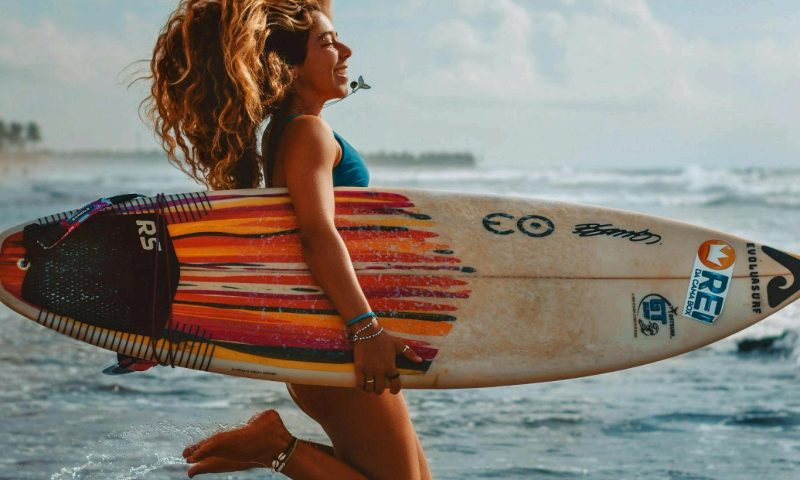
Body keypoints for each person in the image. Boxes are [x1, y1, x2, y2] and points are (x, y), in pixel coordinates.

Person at [145, 0, 432, 478]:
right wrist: (367, 328)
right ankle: (274, 446)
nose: (345, 50)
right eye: (326, 42)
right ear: (289, 67)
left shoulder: (289, 132)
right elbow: (317, 238)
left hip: (325, 337)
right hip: (336, 337)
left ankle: (276, 447)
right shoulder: (308, 133)